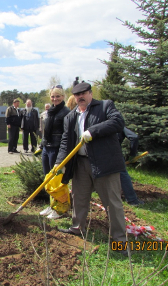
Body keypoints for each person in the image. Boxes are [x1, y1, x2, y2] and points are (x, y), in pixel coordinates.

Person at [55, 82, 128, 255]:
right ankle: (77, 228)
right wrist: (60, 162)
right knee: (79, 198)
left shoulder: (104, 106)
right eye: (77, 95)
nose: (80, 98)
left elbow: (117, 122)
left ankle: (119, 240)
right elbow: (66, 141)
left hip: (104, 162)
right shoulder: (70, 117)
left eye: (83, 94)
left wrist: (93, 131)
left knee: (112, 202)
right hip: (80, 164)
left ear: (90, 93)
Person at [39, 87, 70, 219]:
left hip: (57, 148)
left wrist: (62, 156)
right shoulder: (50, 111)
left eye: (58, 96)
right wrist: (42, 144)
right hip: (47, 147)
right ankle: (52, 205)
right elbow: (46, 130)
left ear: (63, 96)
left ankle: (60, 209)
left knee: (57, 180)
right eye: (52, 96)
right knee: (48, 179)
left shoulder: (66, 112)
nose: (55, 99)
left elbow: (66, 135)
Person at [118, 127, 144, 205]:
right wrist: (132, 154)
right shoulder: (117, 125)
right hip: (115, 154)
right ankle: (132, 199)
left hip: (98, 155)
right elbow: (134, 137)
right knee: (123, 175)